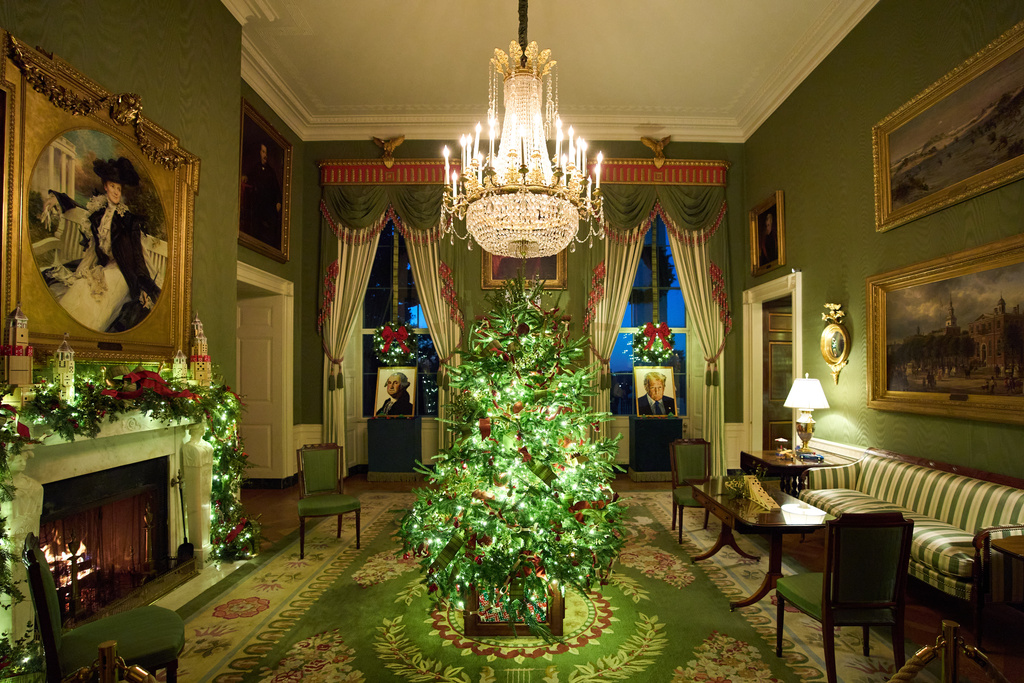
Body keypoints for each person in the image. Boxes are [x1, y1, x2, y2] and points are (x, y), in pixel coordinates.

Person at [41, 157, 161, 332]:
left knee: (99, 300)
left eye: (119, 188)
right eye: (113, 186)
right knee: (81, 286)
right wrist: (57, 199)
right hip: (106, 269)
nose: (116, 192)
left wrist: (144, 286)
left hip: (124, 274)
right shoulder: (98, 214)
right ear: (105, 186)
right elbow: (78, 207)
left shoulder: (128, 220)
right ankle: (63, 329)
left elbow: (137, 256)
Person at [240, 142, 282, 246]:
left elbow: (276, 188)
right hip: (257, 203)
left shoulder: (271, 171)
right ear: (260, 153)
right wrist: (245, 177)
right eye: (263, 152)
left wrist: (278, 202)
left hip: (268, 204)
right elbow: (249, 177)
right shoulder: (256, 167)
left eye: (266, 153)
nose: (265, 155)